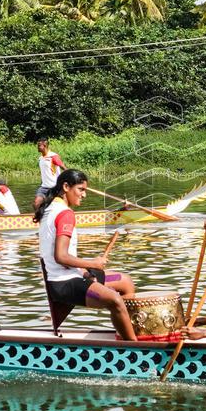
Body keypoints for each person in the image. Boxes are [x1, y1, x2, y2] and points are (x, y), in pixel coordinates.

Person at [36, 168, 137, 340]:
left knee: (125, 282)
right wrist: (93, 264)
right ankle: (134, 346)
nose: (84, 195)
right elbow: (60, 257)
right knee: (114, 299)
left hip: (72, 274)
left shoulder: (50, 209)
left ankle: (124, 333)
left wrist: (86, 272)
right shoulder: (65, 214)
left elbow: (63, 259)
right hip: (64, 284)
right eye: (81, 190)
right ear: (66, 187)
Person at [34, 139, 66, 210]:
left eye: (39, 145)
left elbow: (63, 167)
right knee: (36, 203)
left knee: (59, 206)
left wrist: (70, 177)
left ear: (44, 146)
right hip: (44, 187)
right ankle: (39, 218)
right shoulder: (40, 158)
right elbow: (44, 174)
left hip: (54, 187)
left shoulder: (53, 156)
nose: (37, 147)